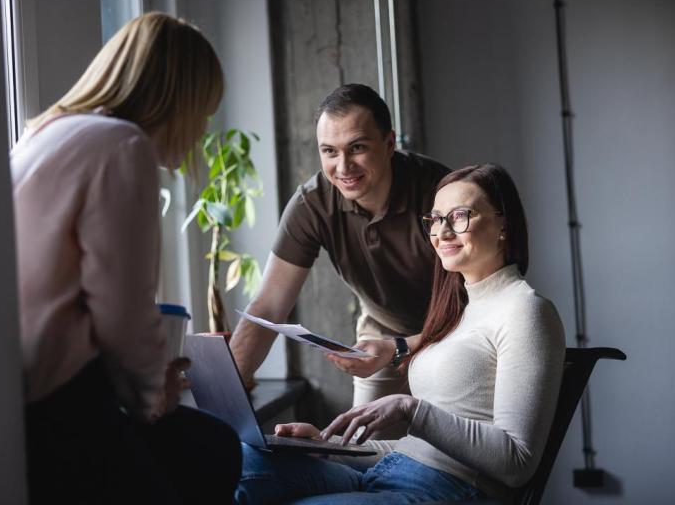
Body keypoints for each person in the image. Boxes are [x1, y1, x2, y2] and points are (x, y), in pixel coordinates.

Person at [10, 13, 240, 505]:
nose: (201, 130)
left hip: (18, 390)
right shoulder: (121, 146)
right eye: (202, 112)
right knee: (214, 452)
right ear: (177, 101)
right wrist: (153, 391)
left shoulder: (45, 134)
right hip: (59, 402)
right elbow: (120, 307)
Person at [235, 164, 566, 504]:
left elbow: (517, 462)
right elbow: (415, 451)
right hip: (389, 473)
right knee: (241, 461)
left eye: (460, 216)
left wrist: (411, 409)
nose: (442, 232)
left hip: (450, 492)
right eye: (436, 219)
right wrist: (325, 445)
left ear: (504, 225)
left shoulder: (526, 311)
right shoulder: (460, 314)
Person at [229, 84, 451, 423]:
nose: (343, 166)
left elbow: (476, 309)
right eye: (329, 151)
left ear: (389, 144)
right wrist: (225, 391)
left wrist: (401, 347)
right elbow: (269, 306)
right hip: (383, 333)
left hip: (457, 331)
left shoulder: (441, 193)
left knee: (456, 448)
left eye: (357, 147)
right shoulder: (312, 204)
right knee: (363, 443)